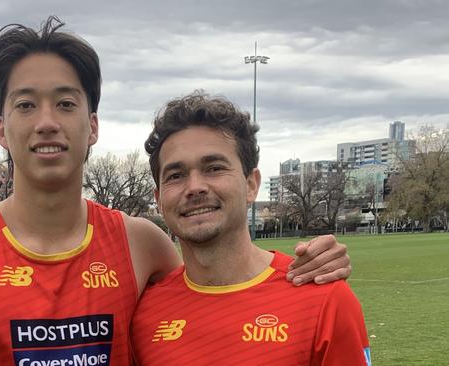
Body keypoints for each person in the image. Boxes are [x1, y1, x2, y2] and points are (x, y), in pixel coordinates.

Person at [0, 17, 352, 365]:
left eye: (66, 102)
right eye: (26, 104)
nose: (47, 121)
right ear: (1, 128)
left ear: (92, 126)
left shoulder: (143, 245)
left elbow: (217, 291)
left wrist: (309, 269)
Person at [131, 91, 371, 365]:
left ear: (251, 184)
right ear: (159, 198)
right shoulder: (144, 315)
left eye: (214, 168)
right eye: (176, 175)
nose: (194, 187)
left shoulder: (324, 300)